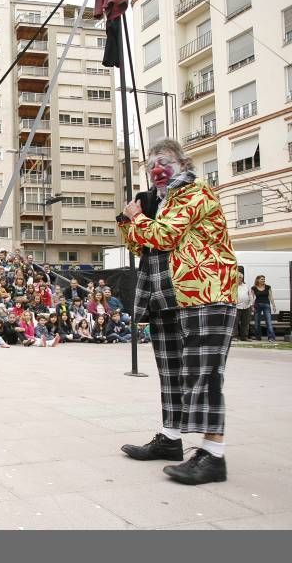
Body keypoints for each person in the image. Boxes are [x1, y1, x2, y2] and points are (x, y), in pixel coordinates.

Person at [118, 138, 237, 485]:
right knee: (174, 372)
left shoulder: (194, 193)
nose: (157, 168)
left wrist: (138, 216)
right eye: (151, 163)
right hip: (173, 296)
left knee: (204, 373)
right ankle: (172, 439)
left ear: (183, 164)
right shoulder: (163, 200)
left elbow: (165, 236)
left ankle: (213, 455)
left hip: (205, 292)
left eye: (165, 161)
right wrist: (132, 220)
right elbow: (141, 242)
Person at [251, 274, 277, 342]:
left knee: (268, 322)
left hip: (266, 305)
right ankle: (258, 337)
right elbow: (252, 298)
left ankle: (271, 337)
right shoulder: (253, 288)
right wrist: (252, 306)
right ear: (258, 280)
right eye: (262, 279)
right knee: (257, 322)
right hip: (257, 305)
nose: (263, 280)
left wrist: (273, 305)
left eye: (264, 279)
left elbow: (270, 297)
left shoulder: (268, 287)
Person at [234, 270, 251, 341]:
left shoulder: (246, 286)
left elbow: (250, 295)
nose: (239, 279)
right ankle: (234, 336)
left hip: (246, 306)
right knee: (235, 323)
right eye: (238, 277)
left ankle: (244, 337)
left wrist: (251, 304)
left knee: (245, 323)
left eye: (240, 277)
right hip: (236, 307)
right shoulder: (233, 287)